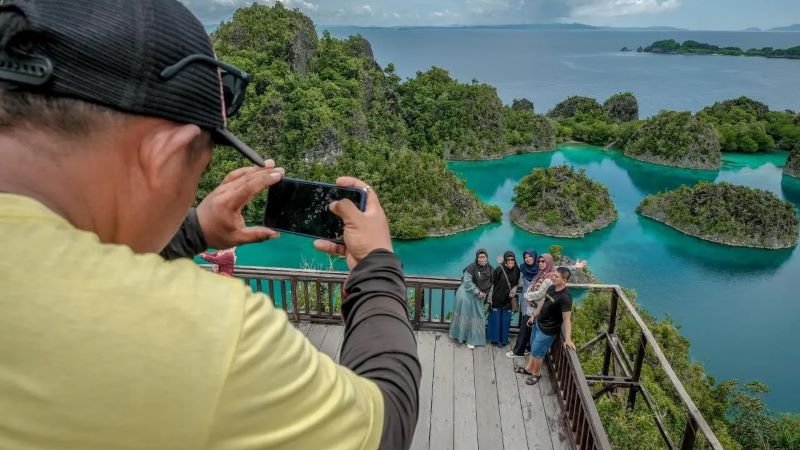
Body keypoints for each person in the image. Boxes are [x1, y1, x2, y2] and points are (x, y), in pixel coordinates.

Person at [0, 2, 420, 450]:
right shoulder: (210, 337)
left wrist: (196, 228)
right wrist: (375, 266)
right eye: (197, 173)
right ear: (162, 158)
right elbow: (385, 421)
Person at [516, 267, 576, 385]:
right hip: (538, 323)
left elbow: (567, 319)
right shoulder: (552, 287)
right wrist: (534, 315)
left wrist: (568, 339)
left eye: (556, 276)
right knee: (534, 348)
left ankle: (536, 374)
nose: (553, 277)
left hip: (548, 330)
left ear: (564, 280)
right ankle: (529, 369)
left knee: (538, 353)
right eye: (553, 275)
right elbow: (543, 302)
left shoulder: (565, 297)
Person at [449, 249, 492, 349]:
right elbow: (467, 281)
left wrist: (484, 294)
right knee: (465, 315)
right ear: (477, 258)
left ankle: (473, 339)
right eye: (480, 257)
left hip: (479, 297)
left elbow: (492, 282)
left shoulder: (490, 269)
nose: (482, 259)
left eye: (484, 257)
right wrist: (477, 292)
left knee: (477, 317)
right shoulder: (472, 267)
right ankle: (463, 338)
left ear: (487, 258)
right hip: (466, 295)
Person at [507, 248, 538, 358]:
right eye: (525, 257)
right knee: (526, 323)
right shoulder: (522, 268)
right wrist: (515, 288)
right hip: (526, 301)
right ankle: (522, 349)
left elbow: (555, 269)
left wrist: (574, 267)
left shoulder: (541, 269)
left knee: (532, 325)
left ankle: (527, 348)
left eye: (530, 256)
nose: (528, 259)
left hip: (537, 302)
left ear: (534, 257)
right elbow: (511, 267)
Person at [487, 251, 520, 347]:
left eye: (512, 259)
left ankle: (504, 340)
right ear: (505, 260)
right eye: (508, 259)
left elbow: (517, 281)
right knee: (496, 321)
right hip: (496, 299)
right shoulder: (498, 269)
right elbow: (492, 282)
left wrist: (515, 288)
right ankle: (495, 340)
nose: (510, 261)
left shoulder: (517, 270)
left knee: (505, 321)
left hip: (508, 301)